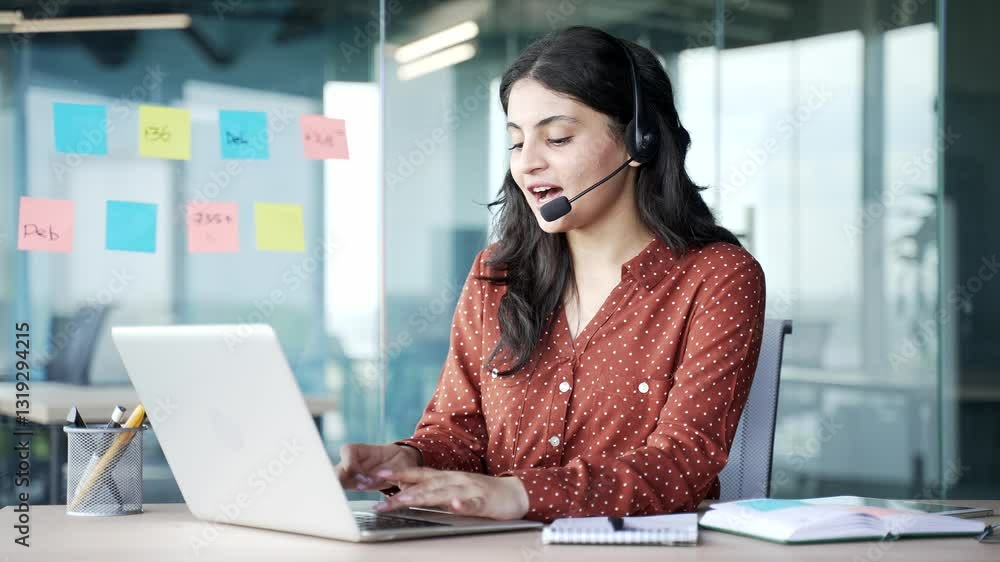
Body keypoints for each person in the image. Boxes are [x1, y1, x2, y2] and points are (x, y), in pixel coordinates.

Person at [336, 26, 766, 523]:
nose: (528, 164)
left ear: (638, 141)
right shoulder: (497, 275)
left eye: (557, 138)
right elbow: (459, 432)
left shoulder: (718, 278)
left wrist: (518, 494)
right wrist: (409, 460)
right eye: (516, 143)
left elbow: (680, 463)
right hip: (496, 548)